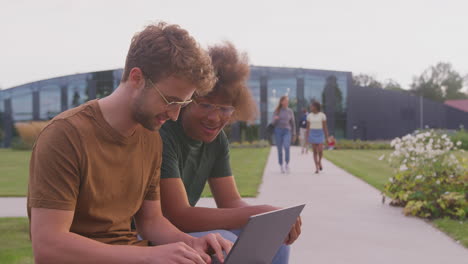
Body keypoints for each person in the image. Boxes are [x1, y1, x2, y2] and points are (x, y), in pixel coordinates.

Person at [27, 22, 233, 264]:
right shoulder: (65, 135)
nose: (175, 115)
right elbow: (48, 246)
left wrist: (193, 243)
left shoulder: (151, 138)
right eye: (171, 101)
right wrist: (148, 255)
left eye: (183, 105)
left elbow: (151, 221)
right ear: (137, 78)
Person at [159, 42, 302, 264]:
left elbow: (231, 201)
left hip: (179, 229)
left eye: (225, 109)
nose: (215, 118)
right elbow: (179, 214)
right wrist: (258, 211)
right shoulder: (165, 133)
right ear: (186, 100)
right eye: (205, 105)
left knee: (274, 242)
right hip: (152, 234)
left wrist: (269, 219)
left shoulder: (216, 140)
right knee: (224, 244)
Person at [273, 96, 296, 173]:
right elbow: (273, 123)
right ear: (281, 102)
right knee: (279, 149)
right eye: (285, 101)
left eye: (287, 101)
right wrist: (275, 119)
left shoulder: (290, 111)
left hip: (287, 131)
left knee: (286, 147)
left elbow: (293, 123)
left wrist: (294, 134)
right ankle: (281, 165)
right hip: (278, 131)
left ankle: (287, 163)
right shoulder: (277, 111)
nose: (287, 102)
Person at [306, 101, 329, 174]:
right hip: (312, 133)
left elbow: (325, 127)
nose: (311, 107)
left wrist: (327, 137)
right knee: (315, 151)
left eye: (312, 106)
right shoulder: (309, 116)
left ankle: (319, 162)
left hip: (320, 133)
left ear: (316, 107)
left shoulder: (322, 115)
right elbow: (308, 128)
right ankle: (316, 168)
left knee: (320, 150)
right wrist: (307, 138)